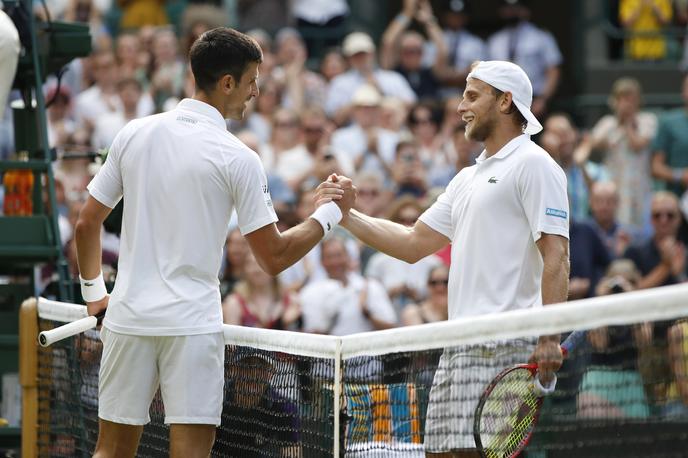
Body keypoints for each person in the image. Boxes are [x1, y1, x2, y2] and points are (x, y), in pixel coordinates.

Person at [74, 27, 354, 458]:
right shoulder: (238, 157)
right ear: (227, 84)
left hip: (127, 317)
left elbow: (87, 223)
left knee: (110, 452)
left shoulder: (134, 133)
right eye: (251, 80)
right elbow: (275, 258)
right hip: (191, 325)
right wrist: (330, 214)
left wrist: (95, 296)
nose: (256, 91)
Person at [335, 60, 569, 457]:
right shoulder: (466, 179)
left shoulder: (535, 165)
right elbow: (412, 242)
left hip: (504, 345)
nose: (461, 106)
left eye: (473, 96)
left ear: (506, 101)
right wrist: (347, 216)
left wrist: (549, 338)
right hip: (457, 345)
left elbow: (557, 256)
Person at [487, 0, 562, 117]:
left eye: (516, 8)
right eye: (508, 8)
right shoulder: (494, 40)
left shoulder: (541, 36)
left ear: (525, 10)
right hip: (502, 100)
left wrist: (543, 99)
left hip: (533, 99)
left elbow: (553, 71)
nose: (511, 12)